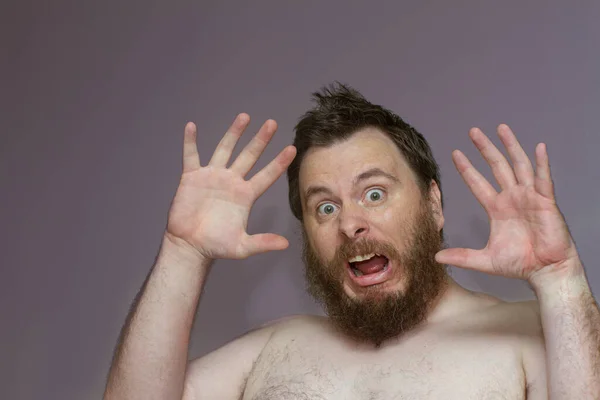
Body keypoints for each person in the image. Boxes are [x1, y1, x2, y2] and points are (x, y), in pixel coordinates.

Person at [104, 83, 599, 399]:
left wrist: (561, 279)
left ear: (434, 204)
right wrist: (184, 252)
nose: (349, 223)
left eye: (375, 193)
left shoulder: (525, 335)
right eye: (325, 206)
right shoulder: (272, 350)